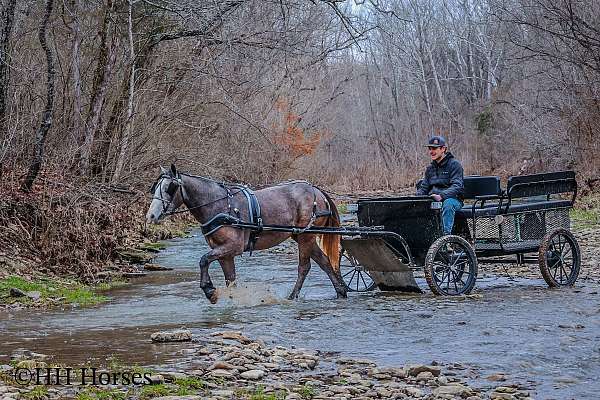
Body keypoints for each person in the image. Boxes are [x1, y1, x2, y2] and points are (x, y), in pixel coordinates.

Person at [416, 135, 464, 235]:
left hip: (453, 199)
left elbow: (457, 186)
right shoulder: (430, 168)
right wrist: (416, 198)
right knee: (416, 206)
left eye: (434, 148)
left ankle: (445, 240)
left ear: (443, 149)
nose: (431, 151)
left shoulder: (454, 165)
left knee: (448, 204)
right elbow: (424, 187)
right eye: (430, 148)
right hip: (433, 199)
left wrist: (441, 196)